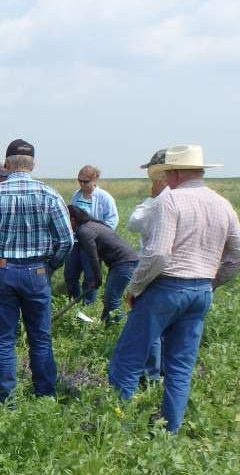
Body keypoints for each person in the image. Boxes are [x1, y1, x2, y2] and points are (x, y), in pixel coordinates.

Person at [108, 145, 240, 434]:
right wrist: (208, 283)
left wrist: (135, 287)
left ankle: (117, 429)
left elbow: (159, 254)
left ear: (173, 173)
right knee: (179, 368)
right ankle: (168, 431)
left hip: (165, 288)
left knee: (127, 360)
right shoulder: (222, 203)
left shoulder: (171, 201)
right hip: (200, 294)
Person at [0, 139, 73, 407]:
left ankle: (5, 400)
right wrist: (51, 266)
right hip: (36, 270)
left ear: (8, 164)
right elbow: (66, 240)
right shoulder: (49, 194)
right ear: (33, 164)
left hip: (2, 271)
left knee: (3, 338)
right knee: (40, 336)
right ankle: (45, 395)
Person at [127, 148, 171, 379]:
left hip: (158, 273)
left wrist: (151, 198)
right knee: (173, 331)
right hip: (191, 280)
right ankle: (164, 374)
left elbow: (134, 224)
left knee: (152, 328)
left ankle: (152, 377)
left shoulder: (162, 200)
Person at [66, 205, 138, 324]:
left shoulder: (84, 230)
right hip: (123, 262)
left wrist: (97, 279)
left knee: (111, 301)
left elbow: (92, 256)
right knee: (108, 300)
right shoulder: (90, 226)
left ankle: (129, 326)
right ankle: (105, 327)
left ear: (72, 219)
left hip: (125, 262)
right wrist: (97, 278)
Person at [63, 166, 119, 305]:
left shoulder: (104, 197)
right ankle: (73, 301)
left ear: (94, 179)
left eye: (85, 181)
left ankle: (87, 304)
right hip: (75, 241)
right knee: (70, 275)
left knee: (90, 276)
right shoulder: (77, 195)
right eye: (80, 181)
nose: (82, 184)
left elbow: (112, 220)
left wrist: (99, 236)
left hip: (92, 243)